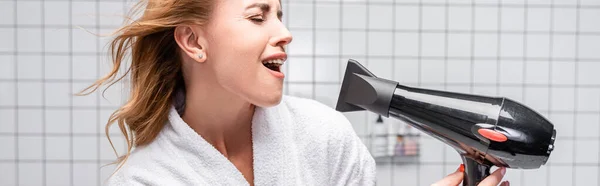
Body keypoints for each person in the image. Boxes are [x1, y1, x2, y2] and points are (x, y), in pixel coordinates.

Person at [80, 0, 508, 185]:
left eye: (280, 14)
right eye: (258, 16)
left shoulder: (323, 136)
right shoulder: (147, 180)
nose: (285, 33)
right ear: (194, 41)